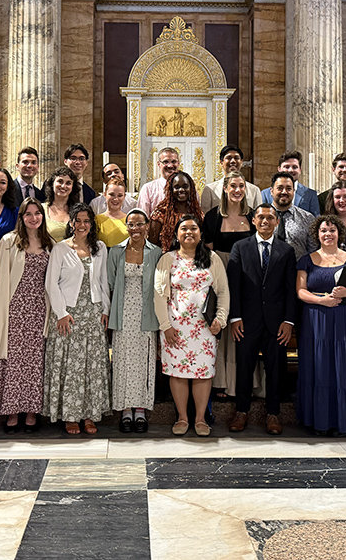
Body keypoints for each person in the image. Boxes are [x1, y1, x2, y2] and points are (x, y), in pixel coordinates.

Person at [154, 215, 230, 437]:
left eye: (193, 228)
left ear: (200, 233)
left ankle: (200, 418)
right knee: (177, 373)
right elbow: (159, 295)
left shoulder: (212, 258)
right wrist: (165, 325)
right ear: (177, 234)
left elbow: (223, 291)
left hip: (204, 328)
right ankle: (182, 417)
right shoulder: (167, 259)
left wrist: (221, 319)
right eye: (184, 229)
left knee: (203, 373)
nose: (189, 232)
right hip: (175, 327)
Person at [296, 216, 346, 435]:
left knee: (341, 367)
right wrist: (322, 300)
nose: (327, 234)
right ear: (316, 234)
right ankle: (318, 421)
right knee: (319, 368)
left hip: (344, 319)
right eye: (323, 231)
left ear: (339, 233)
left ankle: (343, 421)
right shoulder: (306, 260)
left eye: (332, 230)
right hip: (315, 319)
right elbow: (300, 291)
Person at [227, 204, 297, 435]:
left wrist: (288, 321)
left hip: (277, 322)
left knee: (276, 367)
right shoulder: (240, 247)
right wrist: (235, 317)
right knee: (244, 366)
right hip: (246, 320)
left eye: (270, 218)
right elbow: (233, 286)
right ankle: (242, 411)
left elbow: (289, 289)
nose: (265, 221)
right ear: (253, 221)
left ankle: (273, 413)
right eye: (261, 217)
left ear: (277, 222)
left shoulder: (286, 251)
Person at [43, 204, 111, 435]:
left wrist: (105, 309)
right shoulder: (60, 249)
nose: (82, 225)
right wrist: (61, 313)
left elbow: (103, 281)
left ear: (92, 224)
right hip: (68, 314)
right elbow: (51, 283)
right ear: (71, 223)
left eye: (86, 221)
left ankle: (90, 415)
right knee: (71, 366)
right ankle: (71, 416)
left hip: (93, 312)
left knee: (92, 365)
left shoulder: (100, 248)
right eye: (77, 220)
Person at [0, 197, 54, 434]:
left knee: (35, 361)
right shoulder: (9, 242)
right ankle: (12, 410)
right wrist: (2, 309)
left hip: (39, 309)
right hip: (15, 308)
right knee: (14, 360)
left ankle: (31, 411)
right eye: (28, 214)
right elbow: (1, 279)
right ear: (21, 217)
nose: (33, 218)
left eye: (37, 213)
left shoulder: (50, 244)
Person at [107, 209, 162, 433]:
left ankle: (140, 410)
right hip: (122, 314)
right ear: (126, 227)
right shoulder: (116, 252)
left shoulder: (156, 252)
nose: (136, 229)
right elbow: (110, 283)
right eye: (131, 225)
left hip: (147, 313)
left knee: (144, 362)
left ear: (147, 226)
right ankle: (125, 410)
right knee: (122, 361)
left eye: (140, 224)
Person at [202, 171, 254, 398]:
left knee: (242, 325)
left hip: (247, 275)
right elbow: (209, 250)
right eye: (232, 186)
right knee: (220, 324)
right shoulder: (213, 216)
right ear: (224, 189)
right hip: (219, 272)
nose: (237, 190)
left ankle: (241, 381)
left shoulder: (253, 215)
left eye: (241, 186)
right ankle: (220, 382)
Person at [149, 171, 203, 252]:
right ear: (171, 189)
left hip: (193, 259)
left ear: (191, 189)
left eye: (185, 186)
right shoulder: (160, 213)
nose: (181, 190)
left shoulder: (196, 212)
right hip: (167, 259)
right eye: (177, 187)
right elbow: (152, 244)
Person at [200, 145, 261, 213]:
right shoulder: (210, 190)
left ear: (241, 162)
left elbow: (258, 216)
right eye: (229, 158)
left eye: (236, 158)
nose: (233, 161)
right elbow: (205, 217)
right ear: (221, 162)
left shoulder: (254, 190)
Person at [269, 171, 315, 260]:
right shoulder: (261, 218)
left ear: (294, 191)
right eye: (280, 188)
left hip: (298, 271)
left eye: (289, 188)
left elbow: (313, 251)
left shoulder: (308, 218)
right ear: (271, 191)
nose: (284, 192)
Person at [259, 150, 320, 215]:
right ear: (279, 169)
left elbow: (315, 221)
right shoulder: (265, 194)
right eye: (287, 167)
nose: (290, 170)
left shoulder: (310, 194)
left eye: (295, 167)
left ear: (300, 169)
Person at [44, 167, 82, 243]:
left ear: (73, 187)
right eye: (60, 181)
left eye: (68, 183)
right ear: (52, 184)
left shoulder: (79, 211)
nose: (63, 186)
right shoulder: (41, 209)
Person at [139, 147, 180, 216]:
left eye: (173, 161)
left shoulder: (188, 187)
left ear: (178, 163)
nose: (170, 165)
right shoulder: (148, 189)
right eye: (165, 162)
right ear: (159, 164)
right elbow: (143, 217)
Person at [95, 179, 130, 247]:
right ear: (104, 194)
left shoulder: (129, 220)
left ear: (124, 196)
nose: (115, 199)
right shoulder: (97, 220)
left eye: (120, 195)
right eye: (112, 194)